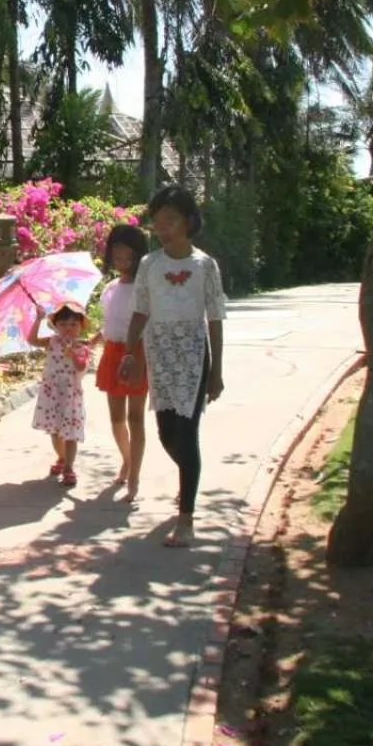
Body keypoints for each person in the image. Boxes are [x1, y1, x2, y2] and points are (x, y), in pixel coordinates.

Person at [121, 186, 227, 547]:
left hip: (195, 356)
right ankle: (188, 481)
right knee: (167, 433)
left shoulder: (205, 265)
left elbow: (214, 319)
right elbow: (140, 311)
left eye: (170, 220)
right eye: (158, 222)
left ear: (188, 221)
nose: (163, 228)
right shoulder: (150, 265)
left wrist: (217, 371)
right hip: (159, 355)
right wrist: (130, 353)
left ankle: (186, 519)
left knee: (188, 432)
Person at [95, 224, 151, 502]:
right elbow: (109, 323)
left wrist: (136, 356)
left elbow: (146, 322)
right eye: (117, 258)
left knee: (135, 417)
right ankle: (127, 460)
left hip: (137, 353)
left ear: (139, 256)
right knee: (116, 419)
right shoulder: (110, 288)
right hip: (111, 353)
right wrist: (93, 338)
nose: (123, 264)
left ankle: (135, 477)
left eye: (128, 258)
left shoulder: (145, 288)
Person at [29, 303, 91, 488]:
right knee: (55, 431)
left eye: (73, 324)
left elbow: (81, 367)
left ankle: (69, 468)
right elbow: (32, 339)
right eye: (63, 324)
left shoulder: (82, 347)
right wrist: (38, 319)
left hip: (70, 396)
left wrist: (74, 354)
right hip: (52, 394)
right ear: (56, 326)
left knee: (70, 432)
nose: (68, 328)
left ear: (81, 326)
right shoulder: (52, 341)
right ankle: (62, 457)